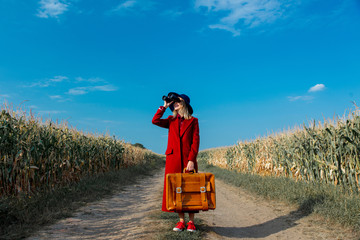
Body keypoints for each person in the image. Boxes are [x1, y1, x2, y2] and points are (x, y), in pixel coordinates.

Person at [152, 92, 200, 232]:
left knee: (190, 189)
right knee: (176, 190)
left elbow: (195, 142)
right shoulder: (171, 120)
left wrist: (191, 159)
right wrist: (164, 106)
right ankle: (181, 221)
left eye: (178, 101)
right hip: (173, 159)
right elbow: (155, 120)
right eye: (174, 102)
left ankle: (191, 222)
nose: (175, 103)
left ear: (184, 104)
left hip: (187, 159)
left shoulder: (193, 121)